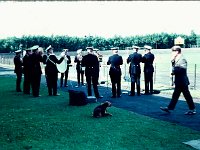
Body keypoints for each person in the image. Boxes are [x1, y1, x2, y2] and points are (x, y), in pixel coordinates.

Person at [160, 46, 196, 115]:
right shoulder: (177, 58)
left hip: (182, 81)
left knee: (187, 96)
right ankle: (169, 108)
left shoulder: (182, 59)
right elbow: (175, 67)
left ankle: (192, 109)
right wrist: (172, 61)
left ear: (177, 51)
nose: (172, 53)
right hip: (179, 81)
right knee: (175, 95)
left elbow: (182, 69)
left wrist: (173, 72)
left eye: (173, 51)